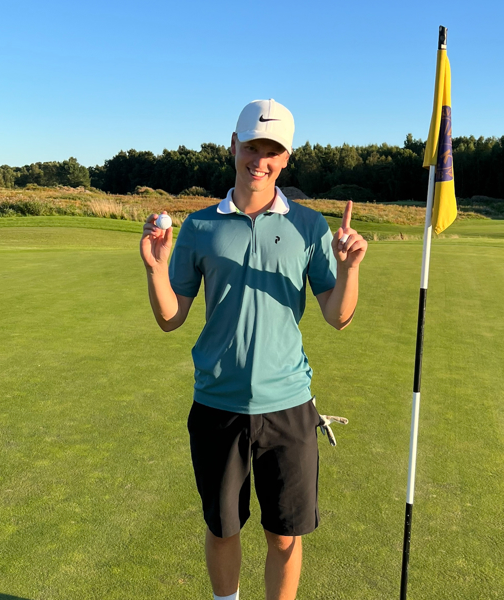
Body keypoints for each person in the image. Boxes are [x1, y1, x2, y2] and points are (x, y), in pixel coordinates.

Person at [140, 99, 367, 600]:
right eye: (251, 146)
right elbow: (171, 317)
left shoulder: (309, 226)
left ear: (286, 158)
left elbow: (338, 316)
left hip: (288, 405)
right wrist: (155, 270)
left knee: (284, 536)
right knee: (223, 530)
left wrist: (349, 269)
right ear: (233, 146)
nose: (259, 160)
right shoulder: (200, 226)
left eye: (272, 150)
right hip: (217, 404)